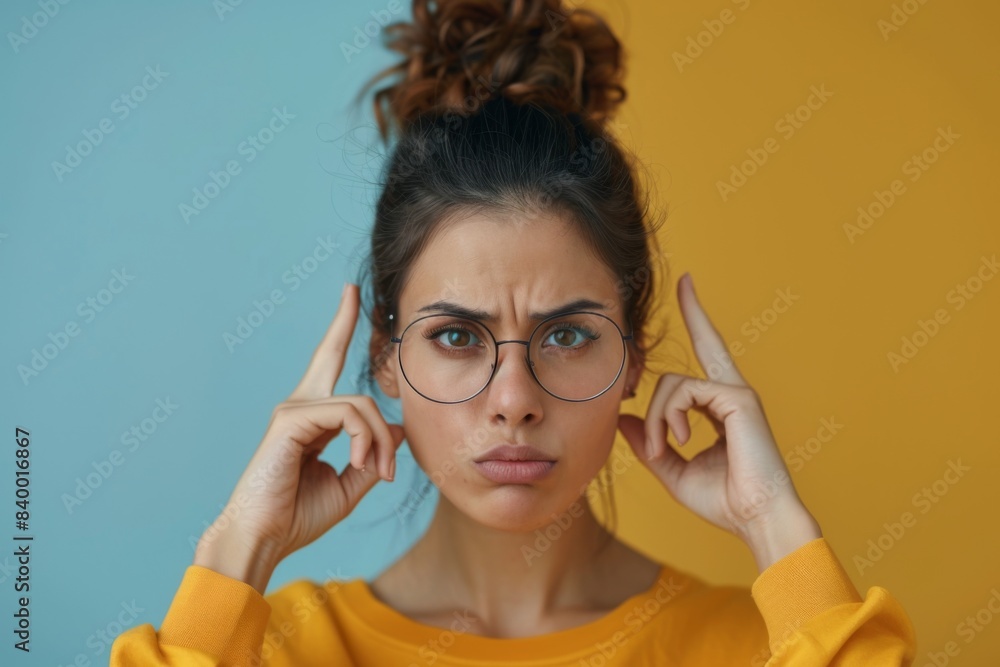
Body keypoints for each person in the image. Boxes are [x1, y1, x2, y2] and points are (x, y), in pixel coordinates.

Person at [110, 0, 917, 664]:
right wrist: (237, 547)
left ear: (634, 353)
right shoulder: (279, 650)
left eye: (567, 336)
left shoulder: (761, 645)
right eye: (457, 337)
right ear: (385, 353)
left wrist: (774, 521)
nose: (514, 401)